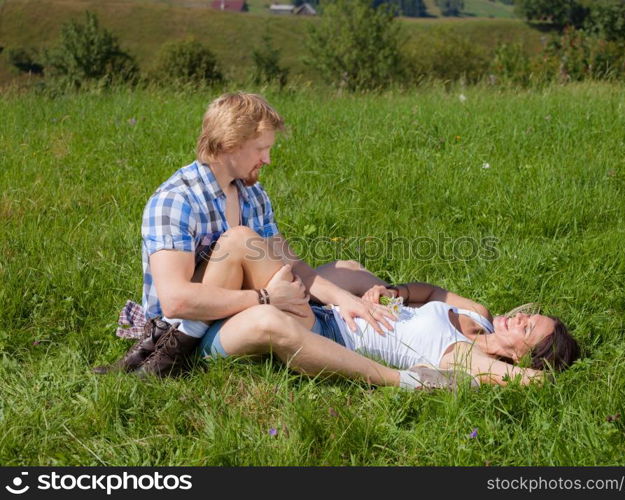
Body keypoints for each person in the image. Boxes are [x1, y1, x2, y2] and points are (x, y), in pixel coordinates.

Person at [96, 92, 404, 379]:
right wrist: (267, 297)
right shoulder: (176, 200)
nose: (267, 159)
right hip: (188, 333)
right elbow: (176, 302)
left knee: (348, 272)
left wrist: (342, 298)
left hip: (241, 306)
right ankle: (362, 346)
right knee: (239, 240)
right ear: (230, 143)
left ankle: (395, 322)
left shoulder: (252, 194)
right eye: (261, 149)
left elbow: (290, 264)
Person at [194, 229, 580, 389]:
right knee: (345, 268)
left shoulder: (468, 358)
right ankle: (195, 317)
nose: (523, 317)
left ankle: (189, 336)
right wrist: (392, 290)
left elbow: (537, 380)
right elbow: (432, 293)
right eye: (531, 315)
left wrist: (538, 370)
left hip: (320, 330)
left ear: (520, 355)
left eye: (528, 330)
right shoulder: (478, 312)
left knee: (243, 241)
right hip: (338, 310)